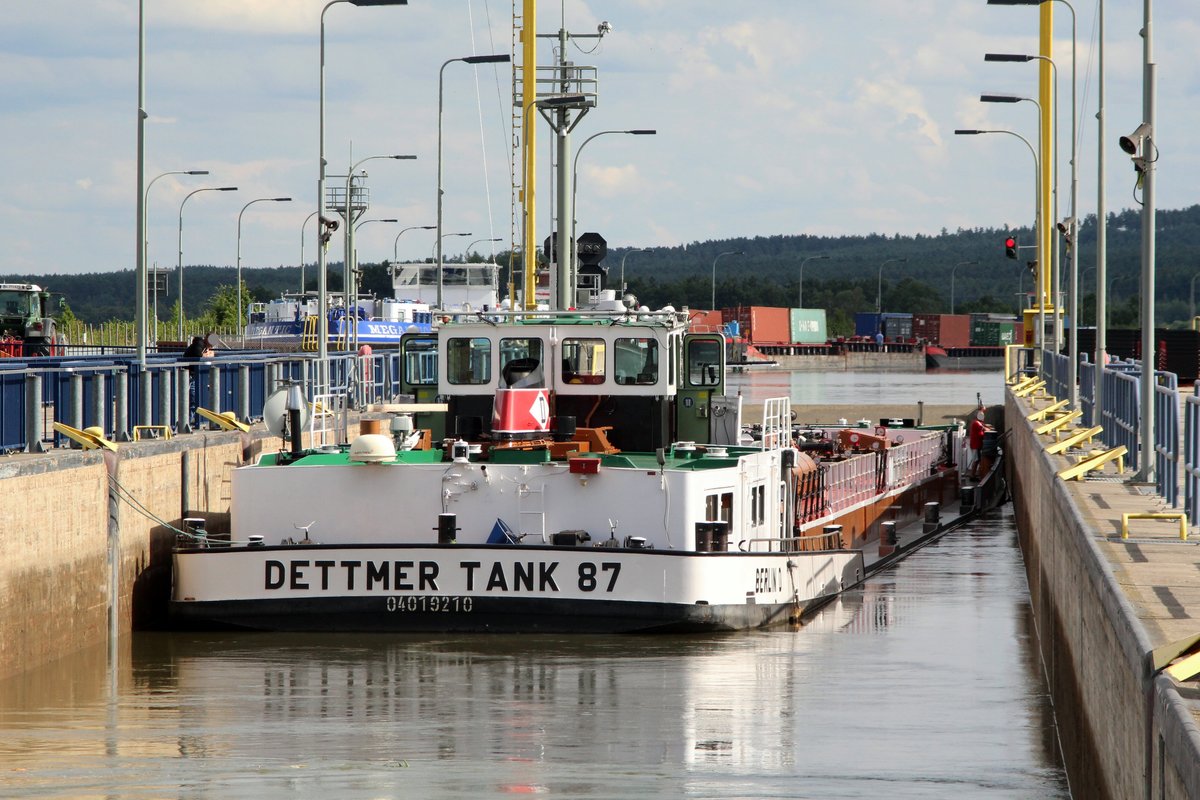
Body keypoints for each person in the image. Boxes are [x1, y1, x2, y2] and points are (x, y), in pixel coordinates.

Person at [968, 409, 992, 478]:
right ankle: (972, 476)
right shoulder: (976, 423)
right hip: (975, 445)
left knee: (978, 460)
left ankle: (975, 474)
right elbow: (984, 428)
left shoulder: (978, 422)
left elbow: (984, 426)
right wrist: (989, 429)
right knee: (975, 460)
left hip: (978, 445)